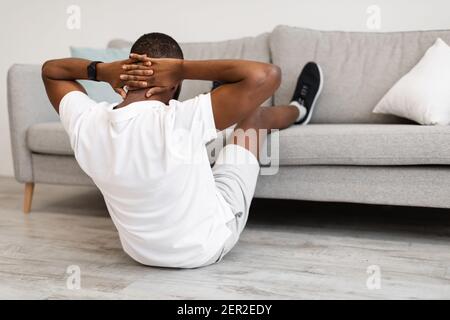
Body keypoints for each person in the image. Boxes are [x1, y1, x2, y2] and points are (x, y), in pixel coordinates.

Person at [41, 32, 323, 268]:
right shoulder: (179, 119)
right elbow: (267, 75)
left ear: (124, 76)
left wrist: (100, 71)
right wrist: (182, 68)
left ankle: (221, 111)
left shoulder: (87, 122)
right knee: (255, 118)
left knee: (199, 137)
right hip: (206, 248)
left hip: (139, 255)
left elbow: (50, 71)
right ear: (175, 84)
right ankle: (299, 110)